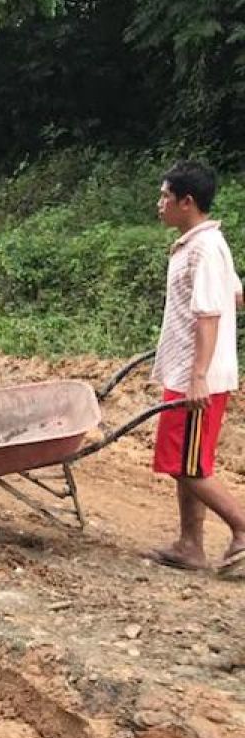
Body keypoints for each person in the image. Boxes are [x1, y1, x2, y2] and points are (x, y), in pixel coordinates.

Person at [145, 161, 245, 576]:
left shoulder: (204, 248)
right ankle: (190, 544)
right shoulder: (199, 244)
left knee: (191, 466)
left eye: (166, 197)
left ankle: (242, 529)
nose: (160, 204)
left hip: (196, 377)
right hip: (185, 370)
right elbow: (234, 295)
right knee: (182, 462)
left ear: (187, 202)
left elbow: (208, 313)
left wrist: (199, 375)